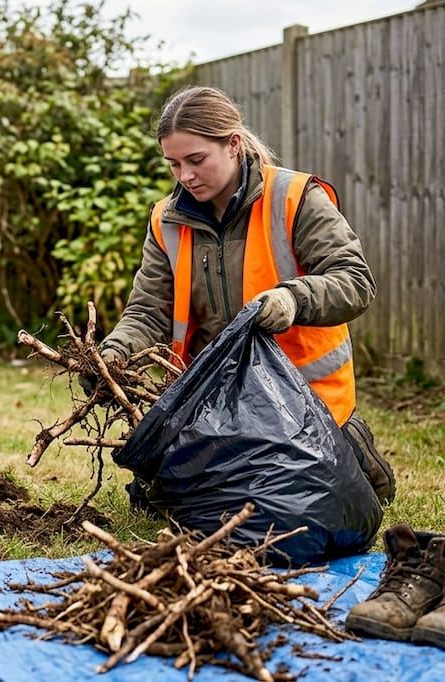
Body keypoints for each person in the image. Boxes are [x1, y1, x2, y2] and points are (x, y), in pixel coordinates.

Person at [98, 85, 395, 506]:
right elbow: (149, 310)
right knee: (165, 504)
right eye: (174, 164)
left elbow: (355, 281)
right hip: (212, 401)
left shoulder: (294, 199)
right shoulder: (167, 221)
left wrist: (293, 299)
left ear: (233, 144)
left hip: (302, 399)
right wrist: (115, 354)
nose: (185, 176)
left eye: (196, 160)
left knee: (298, 507)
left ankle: (351, 447)